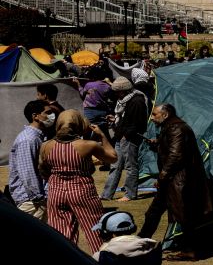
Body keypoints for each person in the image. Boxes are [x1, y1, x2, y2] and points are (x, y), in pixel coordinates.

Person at [140, 104, 213, 261]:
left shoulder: (177, 129)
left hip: (178, 181)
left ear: (166, 114)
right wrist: (158, 144)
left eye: (155, 114)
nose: (152, 118)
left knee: (184, 217)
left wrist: (162, 176)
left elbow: (176, 156)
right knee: (155, 213)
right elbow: (174, 150)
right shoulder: (171, 128)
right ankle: (140, 242)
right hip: (174, 181)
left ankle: (189, 250)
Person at [39, 110, 116, 251]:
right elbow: (112, 157)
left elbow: (43, 171)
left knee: (62, 235)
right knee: (96, 231)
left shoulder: (46, 145)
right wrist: (102, 135)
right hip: (82, 191)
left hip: (56, 192)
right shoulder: (88, 145)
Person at [101, 77, 149, 202]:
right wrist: (115, 120)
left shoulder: (137, 100)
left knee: (130, 166)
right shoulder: (124, 100)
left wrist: (125, 135)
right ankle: (107, 194)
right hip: (121, 135)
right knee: (115, 166)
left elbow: (137, 122)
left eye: (118, 92)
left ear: (123, 90)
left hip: (130, 137)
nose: (117, 94)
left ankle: (130, 194)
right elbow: (126, 118)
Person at [9, 100, 54, 219]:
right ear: (35, 116)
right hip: (32, 201)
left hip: (35, 198)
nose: (51, 116)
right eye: (48, 113)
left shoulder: (37, 137)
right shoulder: (29, 139)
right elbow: (28, 172)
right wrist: (39, 198)